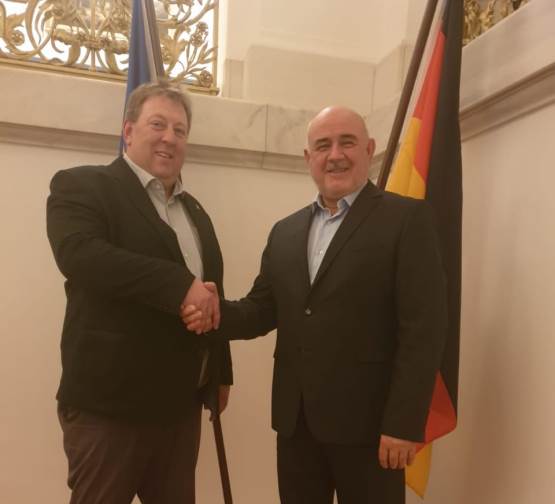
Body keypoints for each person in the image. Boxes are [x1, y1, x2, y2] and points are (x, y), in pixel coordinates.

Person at [183, 106, 447, 504]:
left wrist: (404, 424)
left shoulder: (406, 220)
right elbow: (261, 310)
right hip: (297, 425)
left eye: (347, 142)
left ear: (369, 149)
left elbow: (424, 331)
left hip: (372, 430)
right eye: (323, 145)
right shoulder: (285, 232)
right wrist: (215, 311)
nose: (335, 155)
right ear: (309, 158)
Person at [46, 80, 231, 504]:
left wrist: (220, 371)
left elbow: (210, 294)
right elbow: (81, 256)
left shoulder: (196, 212)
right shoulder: (82, 185)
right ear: (128, 131)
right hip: (109, 410)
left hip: (180, 408)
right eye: (158, 124)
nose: (170, 137)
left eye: (180, 130)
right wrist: (178, 285)